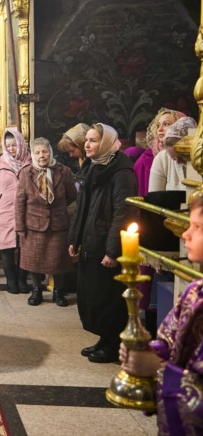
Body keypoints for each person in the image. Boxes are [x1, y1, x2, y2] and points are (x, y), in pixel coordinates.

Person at [118, 191, 203, 435]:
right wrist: (146, 351)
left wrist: (157, 368)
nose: (185, 234)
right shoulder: (194, 292)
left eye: (197, 227)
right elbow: (169, 341)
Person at [68, 123, 137, 363]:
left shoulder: (121, 172)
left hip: (105, 245)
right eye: (86, 140)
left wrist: (112, 250)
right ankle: (104, 338)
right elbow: (82, 208)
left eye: (93, 140)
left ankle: (113, 344)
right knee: (93, 296)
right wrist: (74, 238)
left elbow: (123, 214)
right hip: (90, 242)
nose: (87, 145)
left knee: (109, 299)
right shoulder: (92, 166)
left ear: (106, 143)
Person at [16, 137, 77, 306]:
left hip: (58, 224)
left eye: (44, 151)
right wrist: (20, 227)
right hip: (33, 225)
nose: (41, 155)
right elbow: (20, 201)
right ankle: (36, 291)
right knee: (34, 261)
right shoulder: (26, 173)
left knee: (59, 261)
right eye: (37, 152)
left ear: (50, 152)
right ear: (32, 155)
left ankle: (58, 292)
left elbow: (72, 195)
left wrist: (57, 209)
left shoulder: (64, 171)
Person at [0, 128, 30, 294]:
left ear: (20, 144)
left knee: (25, 247)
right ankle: (11, 281)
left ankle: (22, 279)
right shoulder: (0, 162)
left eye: (14, 145)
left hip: (27, 211)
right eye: (8, 145)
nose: (11, 149)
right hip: (4, 210)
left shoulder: (30, 160)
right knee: (6, 247)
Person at [134, 108, 184, 196]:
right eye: (158, 125)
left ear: (180, 127)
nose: (160, 129)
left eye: (166, 124)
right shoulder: (147, 158)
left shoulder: (194, 153)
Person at [148, 117, 198, 192]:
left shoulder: (199, 157)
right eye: (173, 158)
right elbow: (155, 195)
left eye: (181, 156)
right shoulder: (162, 159)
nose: (177, 162)